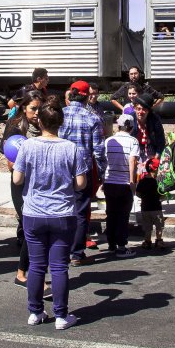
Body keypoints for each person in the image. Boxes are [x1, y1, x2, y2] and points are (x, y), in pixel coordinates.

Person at [12, 101, 90, 330]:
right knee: (59, 266)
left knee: (36, 265)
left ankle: (35, 311)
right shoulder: (71, 148)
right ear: (61, 123)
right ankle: (61, 315)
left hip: (34, 212)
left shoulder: (27, 146)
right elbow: (81, 184)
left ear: (39, 121)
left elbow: (17, 179)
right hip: (62, 213)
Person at [60, 80, 106, 266]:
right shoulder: (92, 118)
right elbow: (99, 150)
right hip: (82, 171)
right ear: (86, 96)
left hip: (60, 169)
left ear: (71, 95)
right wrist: (101, 172)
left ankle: (61, 250)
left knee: (61, 209)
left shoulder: (59, 115)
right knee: (80, 211)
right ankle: (77, 254)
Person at [4, 91, 44, 285]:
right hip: (21, 183)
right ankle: (22, 273)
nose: (36, 113)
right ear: (23, 108)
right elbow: (11, 163)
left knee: (33, 230)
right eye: (33, 108)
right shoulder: (15, 127)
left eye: (39, 108)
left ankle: (27, 271)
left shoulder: (45, 126)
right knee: (30, 228)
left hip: (39, 184)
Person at [102, 114, 140, 258]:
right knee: (123, 216)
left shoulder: (109, 141)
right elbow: (132, 162)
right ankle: (122, 246)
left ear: (118, 126)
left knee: (111, 213)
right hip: (124, 182)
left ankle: (111, 243)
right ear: (131, 126)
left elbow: (104, 160)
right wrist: (132, 182)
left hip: (109, 181)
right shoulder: (133, 141)